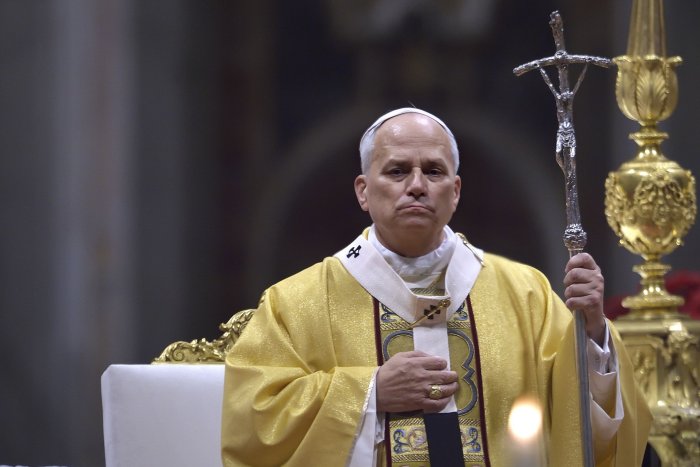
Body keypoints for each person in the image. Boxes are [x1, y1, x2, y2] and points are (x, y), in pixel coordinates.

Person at [221, 108, 651, 466]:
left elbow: (583, 424)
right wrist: (370, 392)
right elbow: (254, 421)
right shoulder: (297, 303)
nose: (416, 185)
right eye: (397, 171)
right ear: (363, 191)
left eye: (433, 171)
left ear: (455, 191)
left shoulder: (526, 294)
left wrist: (592, 330)